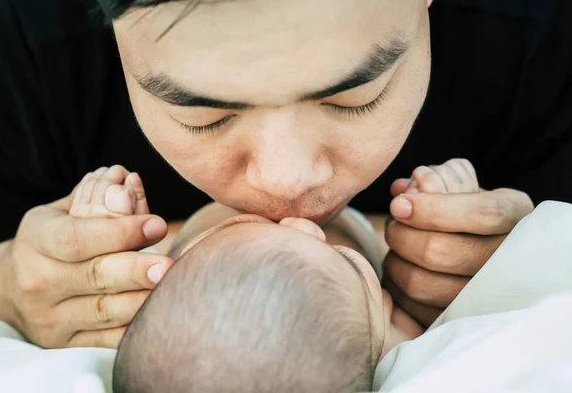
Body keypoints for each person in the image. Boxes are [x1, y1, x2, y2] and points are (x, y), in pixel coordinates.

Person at [0, 0, 570, 348]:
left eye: (355, 98)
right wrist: (1, 285)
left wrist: (540, 253)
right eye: (205, 116)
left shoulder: (546, 31)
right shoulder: (5, 41)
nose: (288, 182)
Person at [59, 159, 473, 392]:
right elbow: (449, 310)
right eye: (344, 261)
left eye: (239, 227)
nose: (302, 226)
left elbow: (100, 287)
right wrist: (445, 214)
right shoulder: (389, 337)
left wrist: (109, 229)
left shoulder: (153, 293)